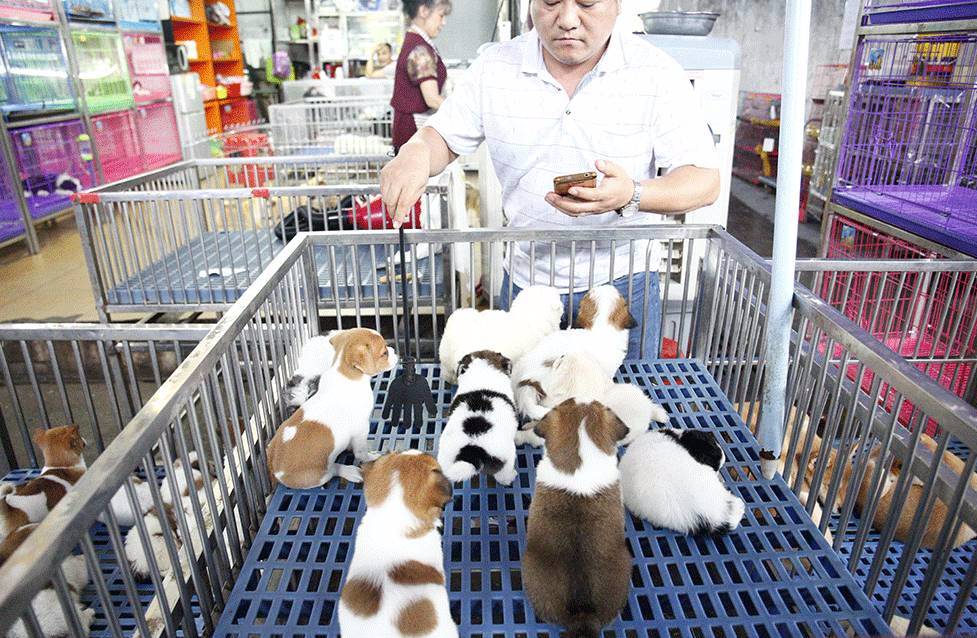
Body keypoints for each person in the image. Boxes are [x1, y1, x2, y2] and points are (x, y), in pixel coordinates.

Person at [380, 0, 720, 359]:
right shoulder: (495, 68)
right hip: (528, 287)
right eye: (551, 2)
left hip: (623, 288)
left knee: (619, 407)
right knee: (529, 403)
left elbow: (704, 180)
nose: (568, 20)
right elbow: (442, 138)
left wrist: (632, 194)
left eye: (587, 2)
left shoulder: (655, 72)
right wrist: (417, 150)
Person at [390, 0, 451, 152]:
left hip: (407, 129)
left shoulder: (415, 41)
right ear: (424, 11)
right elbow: (432, 99)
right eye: (441, 15)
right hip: (413, 132)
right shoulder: (420, 49)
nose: (444, 22)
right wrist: (464, 112)